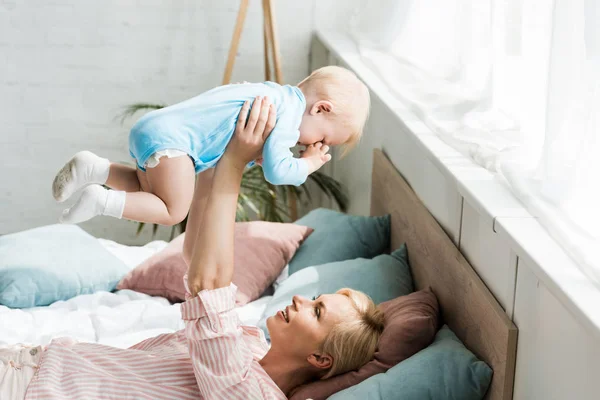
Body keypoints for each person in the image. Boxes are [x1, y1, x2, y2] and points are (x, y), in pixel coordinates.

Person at [2, 97, 384, 400]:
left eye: (317, 311)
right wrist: (214, 162)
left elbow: (208, 286)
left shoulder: (252, 395)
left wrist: (233, 165)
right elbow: (195, 261)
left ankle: (102, 189)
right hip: (30, 362)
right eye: (315, 298)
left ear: (320, 359)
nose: (301, 301)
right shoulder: (247, 344)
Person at [51, 66, 371, 226]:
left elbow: (230, 137)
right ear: (321, 109)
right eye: (324, 138)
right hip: (176, 146)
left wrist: (251, 157)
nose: (314, 144)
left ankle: (94, 168)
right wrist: (310, 164)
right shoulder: (287, 117)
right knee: (173, 211)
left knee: (147, 191)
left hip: (155, 129)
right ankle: (100, 201)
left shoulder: (272, 92)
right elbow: (278, 172)